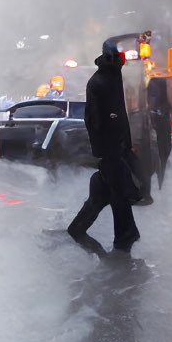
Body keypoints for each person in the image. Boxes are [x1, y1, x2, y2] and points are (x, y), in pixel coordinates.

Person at [67, 43, 141, 250]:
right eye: (119, 58)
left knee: (104, 193)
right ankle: (125, 236)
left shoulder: (109, 78)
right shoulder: (101, 81)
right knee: (119, 193)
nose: (122, 62)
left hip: (114, 148)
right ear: (112, 59)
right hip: (110, 149)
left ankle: (77, 230)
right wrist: (115, 128)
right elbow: (100, 118)